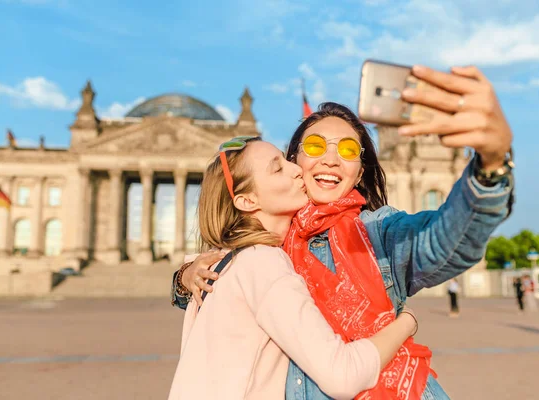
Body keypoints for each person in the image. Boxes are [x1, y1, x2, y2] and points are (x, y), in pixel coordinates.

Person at [174, 65, 515, 399]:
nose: (332, 159)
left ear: (358, 172)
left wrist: (490, 168)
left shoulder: (380, 233)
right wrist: (184, 276)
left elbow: (444, 241)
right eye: (316, 146)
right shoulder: (261, 248)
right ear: (295, 161)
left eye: (349, 150)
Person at [169, 137, 429, 400]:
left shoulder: (222, 263)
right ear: (247, 201)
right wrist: (406, 322)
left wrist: (182, 277)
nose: (296, 169)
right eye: (278, 168)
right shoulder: (262, 262)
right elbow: (342, 375)